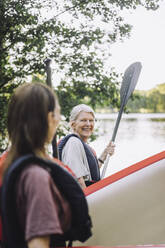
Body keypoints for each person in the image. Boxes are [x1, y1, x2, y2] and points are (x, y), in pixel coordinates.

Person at [1, 83, 91, 248]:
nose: (59, 119)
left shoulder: (14, 164)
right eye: (58, 113)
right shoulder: (36, 176)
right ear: (50, 118)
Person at [58, 104, 115, 189]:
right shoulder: (73, 143)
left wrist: (104, 154)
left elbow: (88, 174)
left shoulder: (79, 143)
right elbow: (78, 180)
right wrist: (87, 200)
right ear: (73, 124)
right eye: (83, 120)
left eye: (91, 120)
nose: (88, 124)